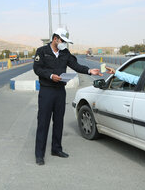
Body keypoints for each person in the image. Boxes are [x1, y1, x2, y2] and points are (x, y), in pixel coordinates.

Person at [33, 28, 102, 166]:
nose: (64, 44)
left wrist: (89, 71)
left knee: (59, 121)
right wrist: (51, 76)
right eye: (63, 41)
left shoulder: (65, 53)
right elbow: (37, 69)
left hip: (60, 91)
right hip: (47, 91)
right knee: (43, 122)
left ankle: (56, 149)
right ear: (55, 39)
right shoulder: (42, 51)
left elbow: (75, 65)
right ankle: (39, 154)